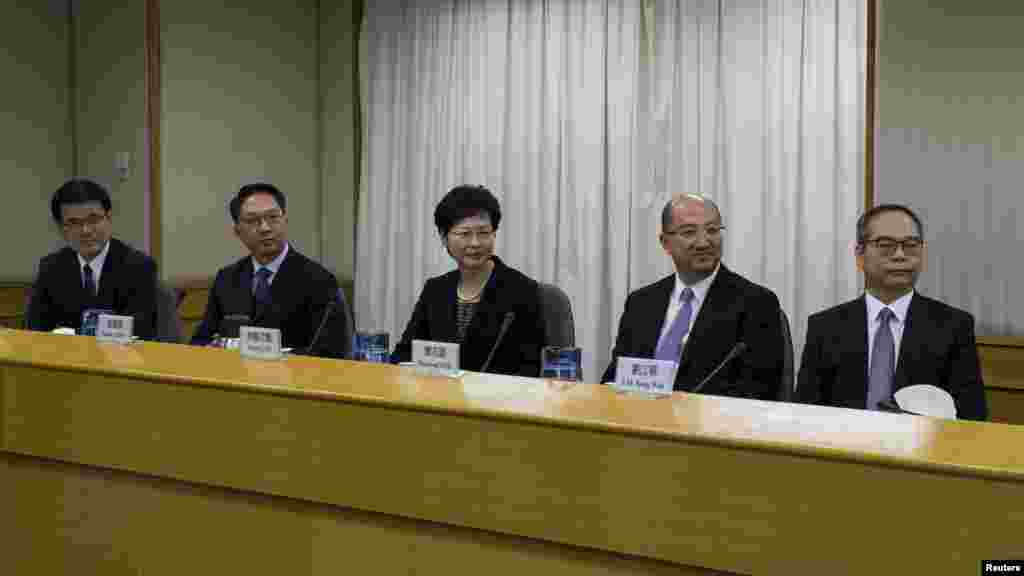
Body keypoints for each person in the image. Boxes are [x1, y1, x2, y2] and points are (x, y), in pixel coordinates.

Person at [796, 204, 987, 420]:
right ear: (860, 255)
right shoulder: (825, 327)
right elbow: (805, 413)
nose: (899, 255)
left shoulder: (953, 326)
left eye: (910, 245)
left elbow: (972, 415)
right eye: (885, 244)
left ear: (922, 254)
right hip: (842, 447)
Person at [601, 194, 785, 399]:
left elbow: (758, 391)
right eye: (689, 232)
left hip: (710, 427)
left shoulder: (756, 303)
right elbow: (615, 378)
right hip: (635, 421)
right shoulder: (641, 303)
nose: (703, 242)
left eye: (712, 230)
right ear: (665, 242)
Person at [391, 185, 546, 376]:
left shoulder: (521, 289)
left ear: (494, 234)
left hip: (497, 401)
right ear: (444, 237)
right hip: (437, 398)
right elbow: (405, 353)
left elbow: (533, 367)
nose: (475, 243)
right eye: (464, 234)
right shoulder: (436, 289)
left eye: (483, 233)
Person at [190, 183, 348, 358]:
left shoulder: (319, 280)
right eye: (252, 221)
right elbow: (200, 341)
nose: (265, 228)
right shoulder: (227, 278)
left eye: (273, 217)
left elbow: (331, 352)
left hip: (293, 380)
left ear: (285, 220)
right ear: (237, 231)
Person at [27, 179, 158, 338]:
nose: (86, 230)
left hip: (121, 359)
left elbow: (142, 332)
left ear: (108, 218)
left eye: (94, 219)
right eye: (74, 223)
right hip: (65, 358)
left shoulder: (138, 266)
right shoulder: (51, 267)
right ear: (61, 228)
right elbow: (35, 330)